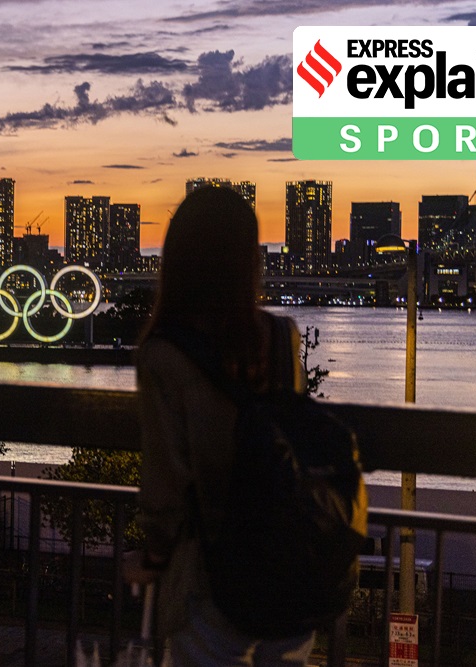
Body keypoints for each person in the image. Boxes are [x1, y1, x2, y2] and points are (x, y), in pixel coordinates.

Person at [124, 186, 313, 666]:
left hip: (212, 583)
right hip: (289, 575)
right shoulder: (282, 337)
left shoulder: (164, 354)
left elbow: (166, 485)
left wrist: (151, 559)